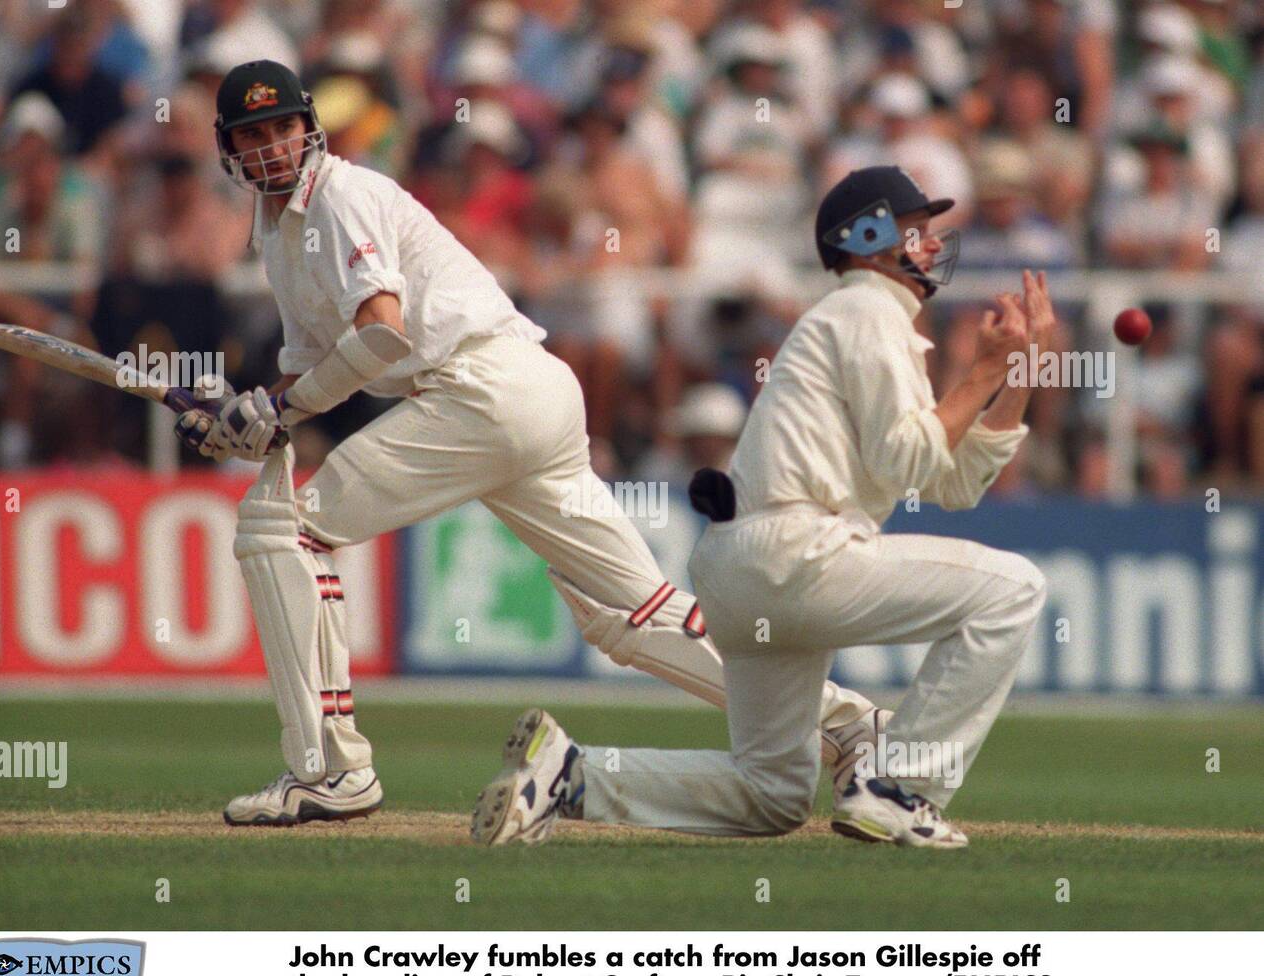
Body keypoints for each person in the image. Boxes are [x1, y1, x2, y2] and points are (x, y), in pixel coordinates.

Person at [178, 60, 883, 826]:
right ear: (229, 148)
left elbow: (381, 334)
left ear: (308, 125)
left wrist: (280, 407)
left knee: (285, 532)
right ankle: (849, 723)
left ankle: (330, 770)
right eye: (254, 135)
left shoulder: (340, 196)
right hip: (523, 395)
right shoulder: (275, 231)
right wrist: (245, 417)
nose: (273, 146)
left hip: (479, 391)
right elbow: (307, 371)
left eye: (283, 127)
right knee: (629, 616)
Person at [476, 167, 1053, 850]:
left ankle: (571, 777)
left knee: (771, 793)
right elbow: (907, 460)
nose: (931, 244)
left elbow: (951, 483)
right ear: (868, 238)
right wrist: (983, 372)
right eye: (915, 231)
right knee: (1014, 588)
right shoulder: (867, 312)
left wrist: (1018, 373)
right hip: (797, 553)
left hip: (747, 571)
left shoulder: (866, 320)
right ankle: (898, 787)